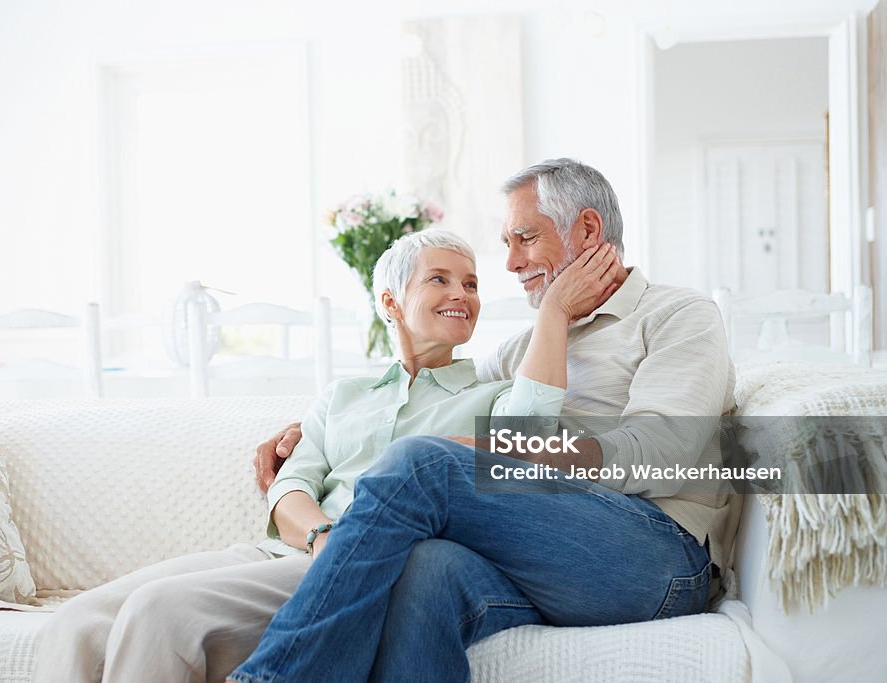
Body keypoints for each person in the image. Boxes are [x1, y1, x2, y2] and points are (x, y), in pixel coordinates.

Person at [31, 227, 617, 683]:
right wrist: (319, 538)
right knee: (77, 622)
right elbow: (289, 487)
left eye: (471, 284)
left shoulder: (491, 398)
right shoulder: (343, 396)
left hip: (364, 566)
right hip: (288, 551)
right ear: (391, 300)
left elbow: (530, 431)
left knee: (162, 612)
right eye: (440, 280)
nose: (461, 294)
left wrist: (553, 313)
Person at [237, 158, 736, 683]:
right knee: (426, 569)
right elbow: (441, 399)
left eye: (525, 238)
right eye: (507, 244)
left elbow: (663, 453)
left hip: (655, 558)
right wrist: (316, 429)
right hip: (547, 554)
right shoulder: (523, 349)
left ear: (587, 230)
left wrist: (512, 449)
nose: (511, 263)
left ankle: (272, 678)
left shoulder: (679, 316)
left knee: (422, 463)